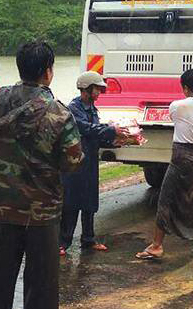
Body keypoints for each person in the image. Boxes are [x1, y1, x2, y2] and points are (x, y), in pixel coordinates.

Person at [0, 41, 83, 309]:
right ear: (48, 72)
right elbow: (72, 162)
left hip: (0, 208)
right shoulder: (58, 113)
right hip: (41, 214)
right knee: (42, 289)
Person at [137, 69, 193, 259]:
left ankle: (157, 245)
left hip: (180, 157)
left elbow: (182, 124)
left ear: (185, 88)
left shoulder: (176, 106)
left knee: (166, 199)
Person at [60, 71, 120, 256]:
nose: (99, 92)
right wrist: (111, 130)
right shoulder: (74, 109)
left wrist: (114, 139)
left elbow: (95, 134)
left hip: (90, 162)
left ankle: (88, 240)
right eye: (97, 89)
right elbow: (86, 129)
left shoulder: (92, 108)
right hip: (75, 162)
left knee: (89, 202)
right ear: (86, 89)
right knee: (71, 203)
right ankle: (63, 242)